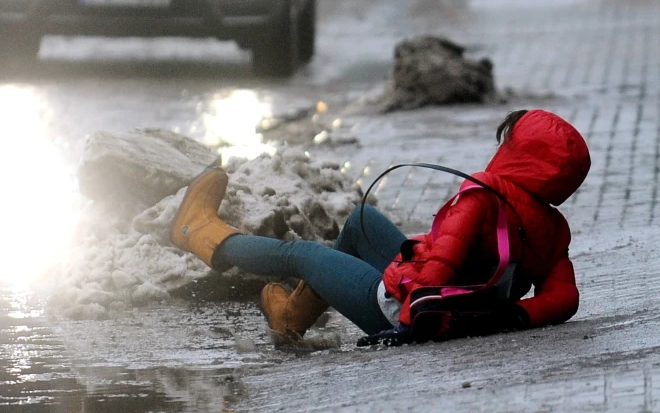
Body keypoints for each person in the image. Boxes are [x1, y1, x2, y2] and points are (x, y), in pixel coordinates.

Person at [169, 109, 591, 346]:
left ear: (517, 152)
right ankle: (290, 317)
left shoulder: (484, 194)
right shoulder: (554, 229)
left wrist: (410, 321)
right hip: (446, 306)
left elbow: (440, 269)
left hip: (400, 307)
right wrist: (510, 316)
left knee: (301, 255)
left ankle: (200, 233)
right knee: (361, 221)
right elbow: (564, 298)